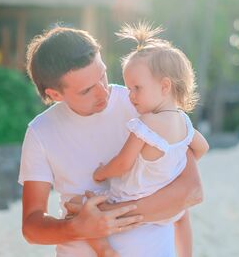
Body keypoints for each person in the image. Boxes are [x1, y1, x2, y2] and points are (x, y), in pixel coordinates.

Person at [18, 24, 203, 257]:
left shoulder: (142, 101)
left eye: (103, 76)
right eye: (86, 91)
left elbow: (191, 190)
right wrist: (76, 227)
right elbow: (32, 228)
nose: (103, 92)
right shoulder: (40, 133)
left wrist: (108, 216)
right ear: (55, 95)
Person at [84, 23, 209, 257]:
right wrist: (174, 161)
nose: (130, 96)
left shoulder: (145, 124)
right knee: (183, 218)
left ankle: (105, 251)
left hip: (129, 200)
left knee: (83, 209)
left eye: (136, 88)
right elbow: (202, 148)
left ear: (164, 86)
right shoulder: (184, 123)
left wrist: (101, 173)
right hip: (166, 211)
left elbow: (123, 163)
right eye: (129, 88)